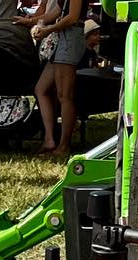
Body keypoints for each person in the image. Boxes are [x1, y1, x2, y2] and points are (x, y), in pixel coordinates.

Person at [31, 0, 82, 155]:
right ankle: (50, 139)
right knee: (41, 89)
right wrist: (31, 21)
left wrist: (48, 29)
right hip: (63, 36)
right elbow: (56, 12)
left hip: (70, 36)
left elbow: (73, 17)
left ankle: (64, 146)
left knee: (65, 96)